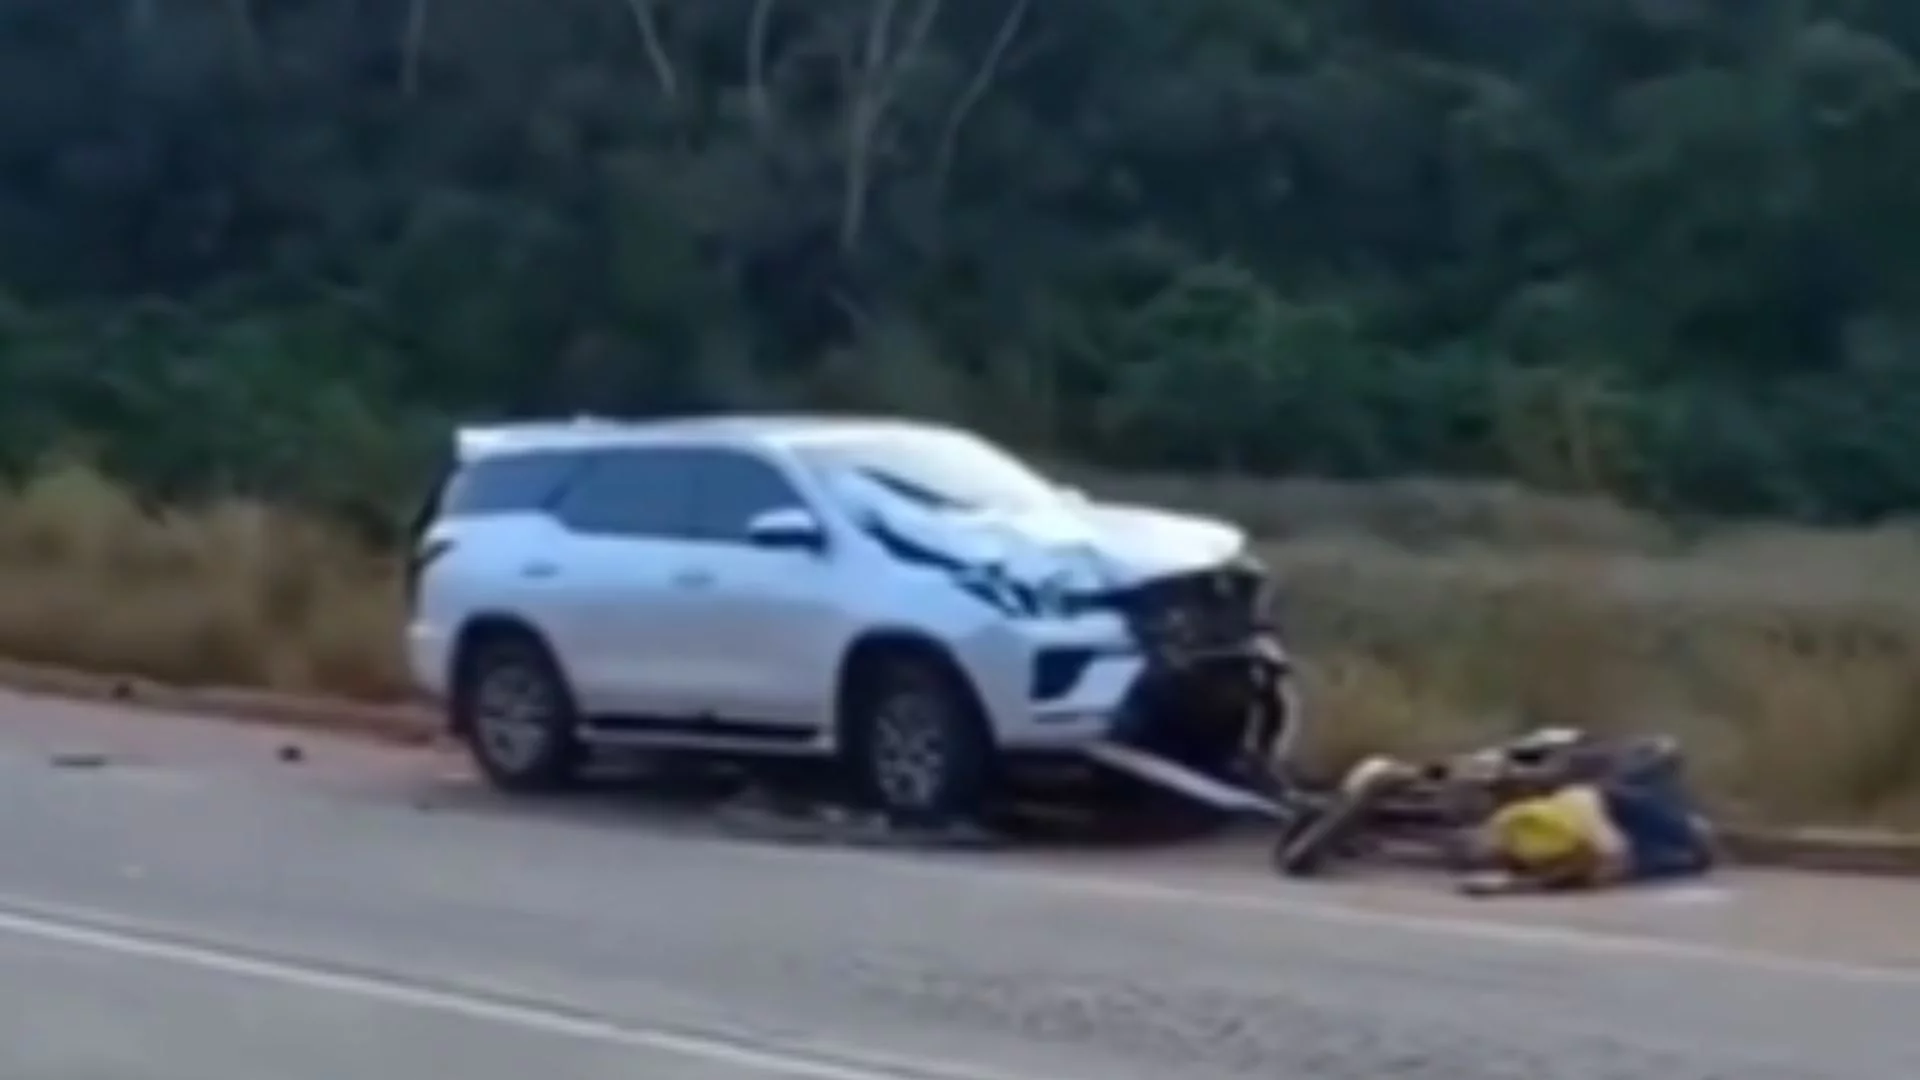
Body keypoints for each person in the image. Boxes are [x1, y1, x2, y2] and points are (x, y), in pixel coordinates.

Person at [1460, 773, 1717, 896]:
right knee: (1638, 863)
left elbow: (1579, 824)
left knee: (1656, 824)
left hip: (1592, 807)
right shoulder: (1521, 859)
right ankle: (1690, 853)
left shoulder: (1508, 824)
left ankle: (1690, 830)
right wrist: (1504, 887)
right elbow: (1550, 875)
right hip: (1596, 839)